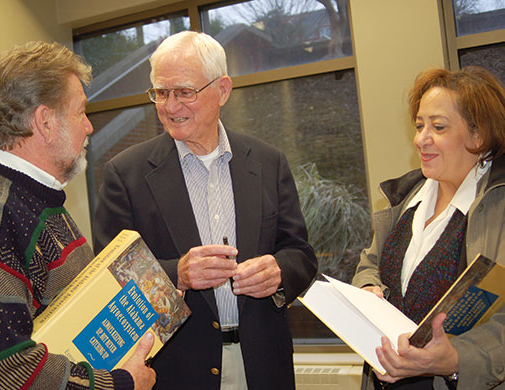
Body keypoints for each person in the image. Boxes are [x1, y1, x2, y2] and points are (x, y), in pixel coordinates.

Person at [93, 31, 317, 390]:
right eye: (161, 93)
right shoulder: (126, 174)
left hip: (264, 365)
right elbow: (108, 279)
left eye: (184, 92)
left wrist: (278, 272)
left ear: (223, 90)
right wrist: (177, 274)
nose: (170, 106)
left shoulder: (267, 162)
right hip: (177, 372)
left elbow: (301, 255)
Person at [0, 41, 155, 390]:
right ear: (45, 121)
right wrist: (120, 385)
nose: (89, 127)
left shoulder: (37, 199)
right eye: (80, 112)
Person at [352, 66, 505, 390]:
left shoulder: (499, 210)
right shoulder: (404, 200)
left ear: (478, 136)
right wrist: (368, 288)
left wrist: (455, 359)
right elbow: (369, 264)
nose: (421, 139)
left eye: (438, 127)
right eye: (420, 125)